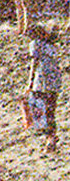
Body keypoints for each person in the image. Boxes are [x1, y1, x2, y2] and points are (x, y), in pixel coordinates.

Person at [29, 27, 60, 157]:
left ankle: (48, 138)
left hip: (42, 81)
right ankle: (51, 137)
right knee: (50, 111)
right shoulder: (52, 47)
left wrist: (29, 82)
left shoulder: (35, 44)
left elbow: (34, 63)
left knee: (38, 108)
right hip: (55, 81)